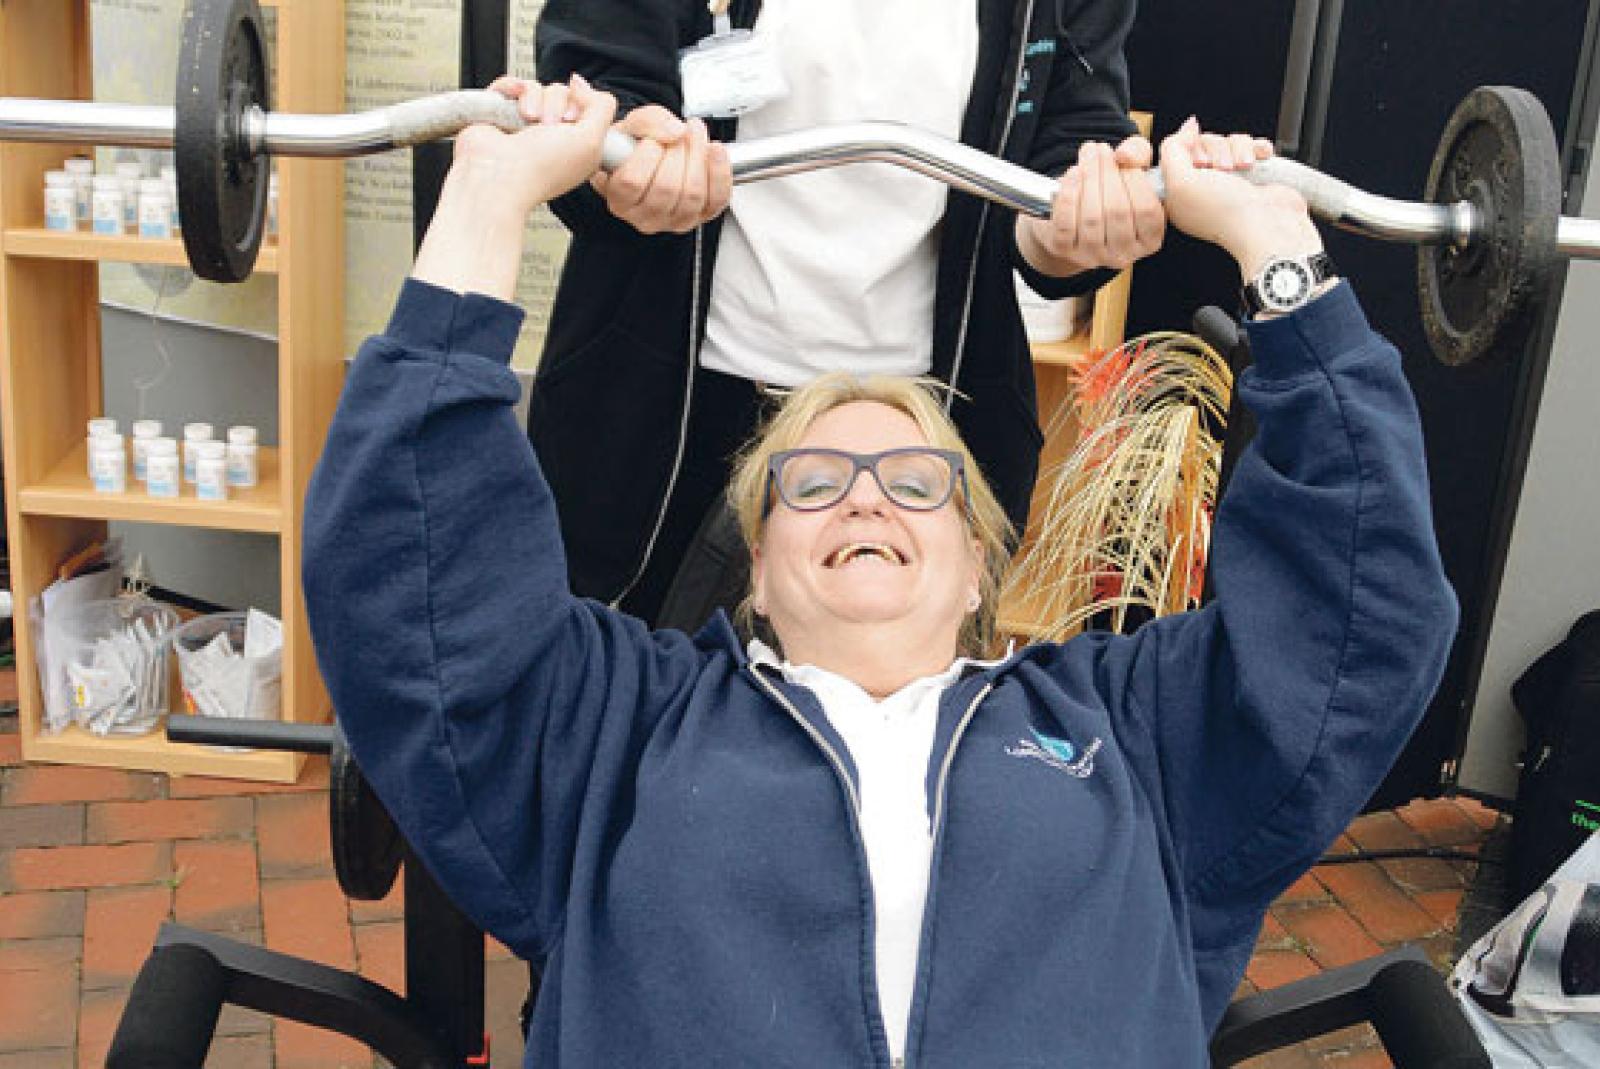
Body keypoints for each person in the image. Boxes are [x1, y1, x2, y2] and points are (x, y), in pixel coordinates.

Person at [302, 76, 1459, 1067]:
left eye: (914, 482)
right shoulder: (622, 733)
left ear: (976, 569)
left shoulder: (1131, 733)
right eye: (811, 482)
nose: (863, 495)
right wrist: (486, 195)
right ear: (759, 571)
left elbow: (1359, 617)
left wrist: (1274, 242)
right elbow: (414, 592)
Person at [531, 0, 1164, 625]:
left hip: (929, 415)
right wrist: (625, 153)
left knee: (888, 681)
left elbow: (1069, 141)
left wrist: (1077, 222)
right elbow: (603, 87)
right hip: (668, 422)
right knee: (628, 670)